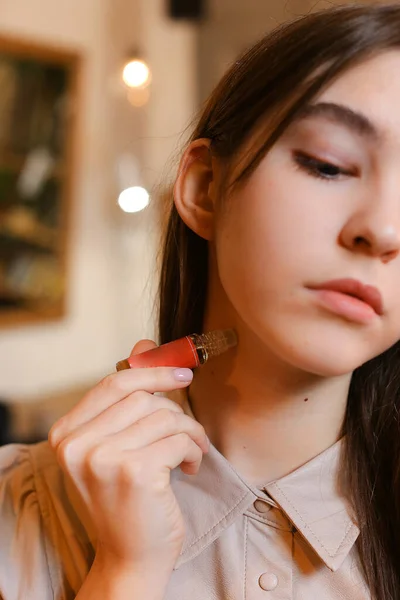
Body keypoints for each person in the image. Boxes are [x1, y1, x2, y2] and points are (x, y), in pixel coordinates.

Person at [2, 3, 400, 598]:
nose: (385, 230)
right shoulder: (17, 515)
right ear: (205, 189)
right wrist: (126, 573)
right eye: (329, 164)